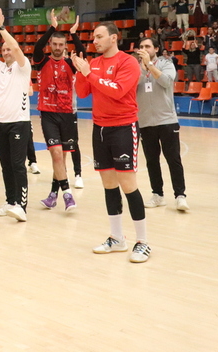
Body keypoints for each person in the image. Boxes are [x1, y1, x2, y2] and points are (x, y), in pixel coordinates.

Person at [72, 23, 151, 263]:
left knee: (128, 184)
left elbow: (117, 90)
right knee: (108, 184)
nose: (94, 41)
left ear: (113, 38)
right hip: (100, 128)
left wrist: (89, 73)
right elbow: (82, 92)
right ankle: (117, 238)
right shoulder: (94, 63)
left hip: (124, 127)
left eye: (99, 36)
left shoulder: (128, 62)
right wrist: (80, 71)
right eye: (93, 37)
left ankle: (143, 241)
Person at [0, 8, 33, 222]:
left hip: (18, 123)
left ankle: (22, 207)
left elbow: (17, 47)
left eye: (8, 48)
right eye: (3, 49)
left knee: (18, 165)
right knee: (6, 165)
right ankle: (11, 202)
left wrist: (1, 28)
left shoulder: (23, 66)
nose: (6, 51)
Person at [34, 10, 84, 212]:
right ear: (50, 45)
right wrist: (52, 28)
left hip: (67, 114)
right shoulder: (42, 61)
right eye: (54, 44)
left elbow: (83, 54)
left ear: (65, 46)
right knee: (56, 153)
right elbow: (37, 47)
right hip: (48, 114)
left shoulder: (71, 64)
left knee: (61, 158)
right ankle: (67, 194)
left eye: (60, 45)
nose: (56, 48)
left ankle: (53, 195)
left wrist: (74, 34)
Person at [135, 38, 189, 212]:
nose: (144, 49)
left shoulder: (166, 64)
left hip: (167, 120)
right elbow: (131, 87)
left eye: (147, 46)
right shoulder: (135, 67)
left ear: (156, 49)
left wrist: (150, 65)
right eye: (141, 47)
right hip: (145, 121)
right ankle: (157, 195)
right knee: (152, 161)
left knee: (173, 159)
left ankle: (180, 196)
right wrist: (141, 69)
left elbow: (166, 82)